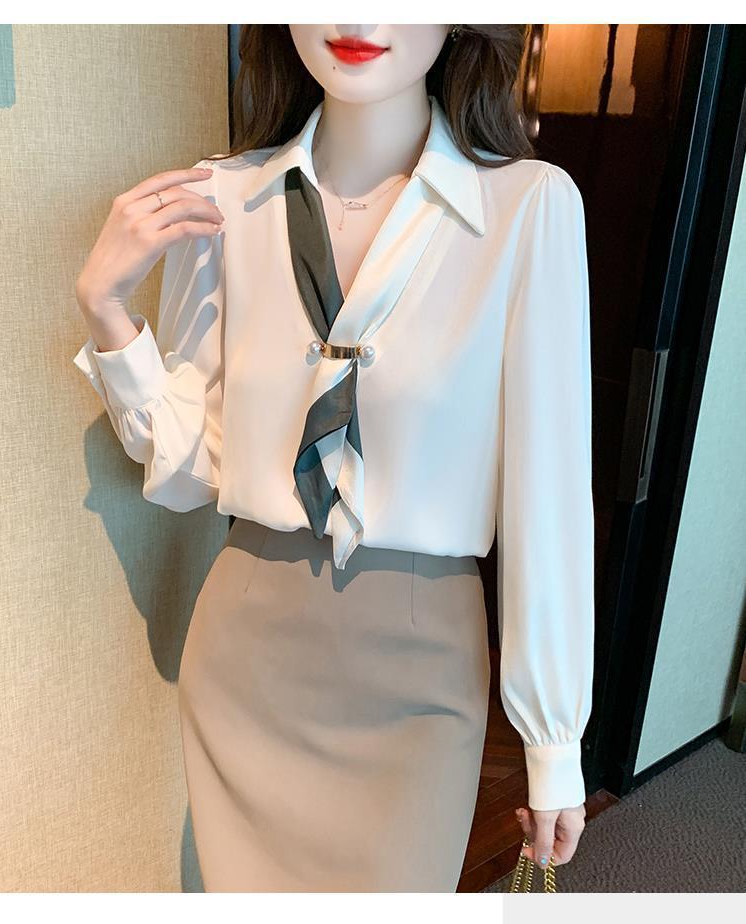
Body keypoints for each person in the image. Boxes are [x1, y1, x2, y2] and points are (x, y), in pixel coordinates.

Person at [72, 24, 594, 892]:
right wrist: (107, 313)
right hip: (247, 652)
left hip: (421, 670)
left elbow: (550, 495)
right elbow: (190, 472)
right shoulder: (225, 198)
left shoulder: (528, 208)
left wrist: (552, 741)